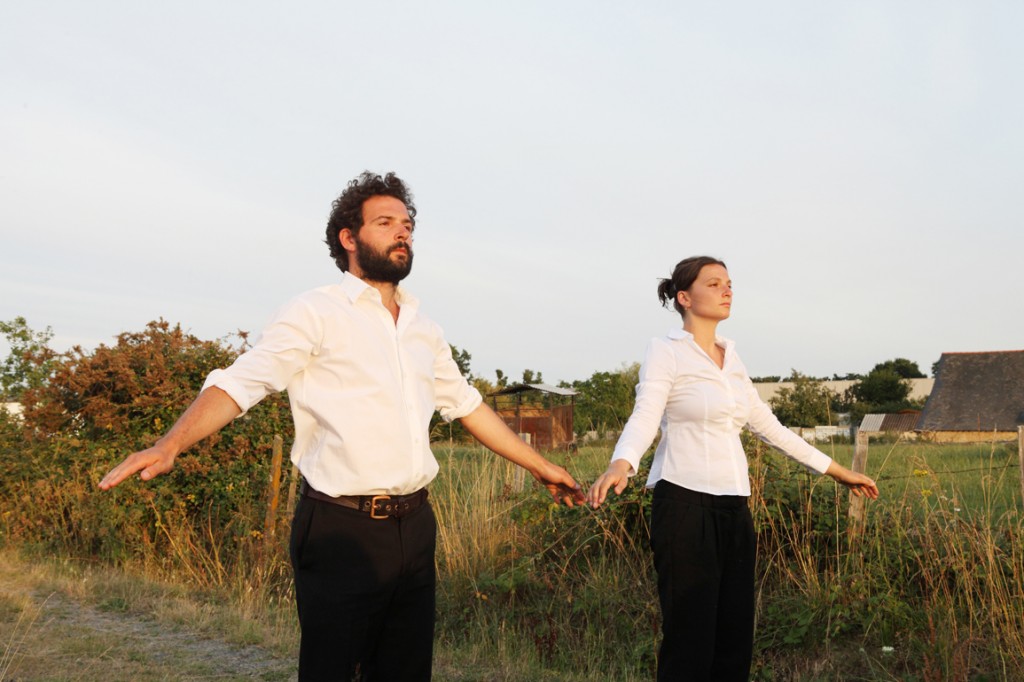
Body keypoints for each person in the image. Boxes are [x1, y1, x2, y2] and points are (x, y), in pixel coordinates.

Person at [99, 171, 585, 681]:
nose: (403, 232)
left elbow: (468, 406)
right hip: (339, 529)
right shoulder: (315, 312)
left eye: (408, 224)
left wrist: (540, 465)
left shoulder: (424, 329)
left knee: (406, 671)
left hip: (416, 527)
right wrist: (171, 441)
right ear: (348, 238)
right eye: (385, 222)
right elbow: (245, 381)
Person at [587, 256, 878, 682]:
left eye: (729, 283)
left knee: (734, 639)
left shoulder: (733, 359)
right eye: (714, 283)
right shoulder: (666, 351)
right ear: (684, 297)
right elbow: (646, 413)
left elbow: (770, 428)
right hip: (684, 506)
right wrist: (622, 462)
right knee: (690, 642)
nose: (727, 290)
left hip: (734, 508)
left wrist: (838, 471)